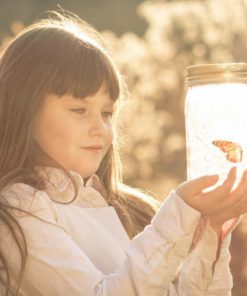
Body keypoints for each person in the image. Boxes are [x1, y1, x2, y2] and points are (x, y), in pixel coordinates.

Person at [0, 10, 246, 296]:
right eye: (79, 110)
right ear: (24, 112)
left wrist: (211, 229)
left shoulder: (131, 211)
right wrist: (179, 212)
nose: (100, 128)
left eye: (107, 113)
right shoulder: (17, 212)